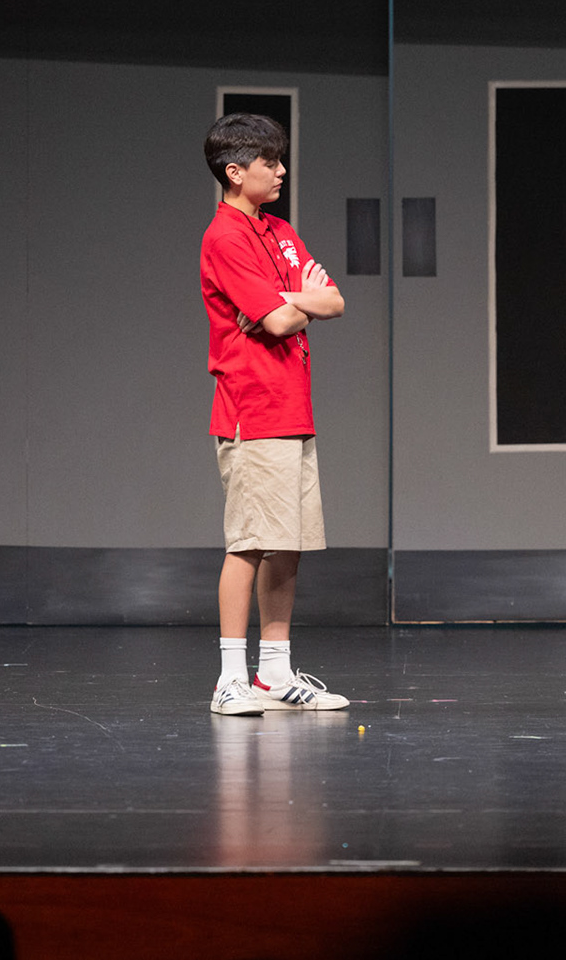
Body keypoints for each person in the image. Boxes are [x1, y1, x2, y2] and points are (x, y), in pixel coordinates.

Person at [200, 113, 352, 716]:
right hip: (252, 409)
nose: (282, 170)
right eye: (271, 162)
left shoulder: (281, 231)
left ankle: (274, 674)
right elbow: (283, 322)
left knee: (287, 543)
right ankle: (229, 679)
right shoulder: (225, 238)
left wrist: (284, 298)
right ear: (236, 172)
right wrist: (291, 303)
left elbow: (334, 302)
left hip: (293, 408)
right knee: (250, 543)